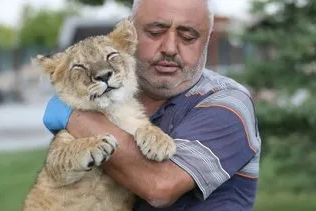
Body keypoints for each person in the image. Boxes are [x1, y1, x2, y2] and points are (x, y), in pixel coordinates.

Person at [42, 0, 261, 210]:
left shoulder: (228, 102)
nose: (170, 48)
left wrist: (75, 117)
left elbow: (160, 186)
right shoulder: (118, 94)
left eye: (187, 36)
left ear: (207, 39)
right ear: (130, 34)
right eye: (156, 32)